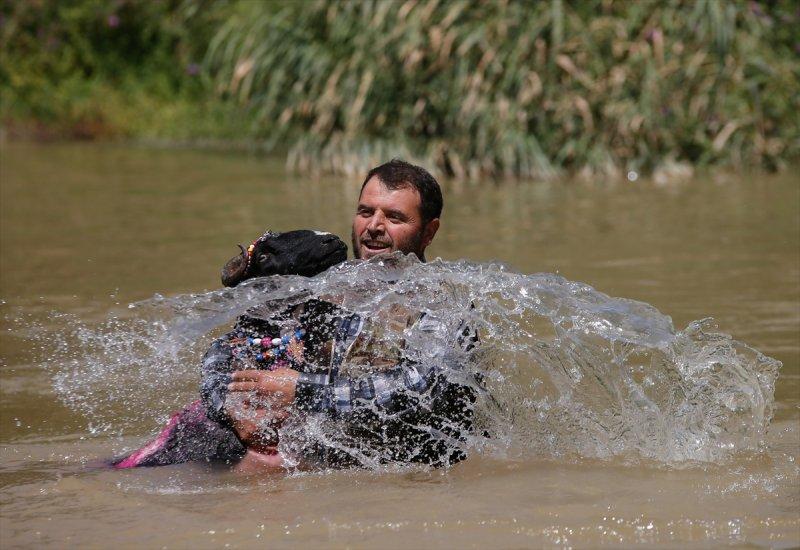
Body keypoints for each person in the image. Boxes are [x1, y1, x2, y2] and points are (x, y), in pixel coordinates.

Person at [114, 159, 479, 471]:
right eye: (366, 212)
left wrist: (302, 390)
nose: (374, 226)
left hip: (403, 464)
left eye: (394, 217)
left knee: (263, 462)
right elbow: (228, 350)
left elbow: (421, 389)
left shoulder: (445, 303)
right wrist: (234, 409)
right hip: (319, 452)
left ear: (429, 232)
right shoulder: (325, 285)